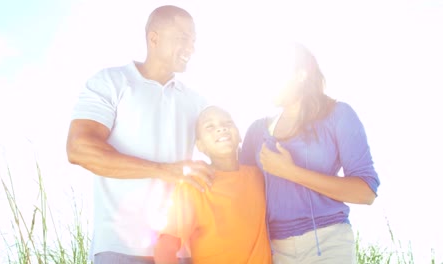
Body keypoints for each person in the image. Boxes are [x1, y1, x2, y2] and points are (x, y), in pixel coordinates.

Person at [66, 5, 214, 263]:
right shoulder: (111, 82)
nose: (191, 48)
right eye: (182, 38)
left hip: (179, 251)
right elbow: (79, 148)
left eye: (193, 41)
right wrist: (164, 170)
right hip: (119, 248)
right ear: (153, 38)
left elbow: (226, 152)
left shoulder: (196, 102)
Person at [240, 42, 381, 263]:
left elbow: (365, 192)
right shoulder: (257, 131)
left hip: (328, 243)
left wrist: (290, 171)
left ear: (301, 75)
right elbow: (242, 191)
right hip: (275, 249)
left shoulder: (338, 115)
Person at [154, 106, 272, 264]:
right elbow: (166, 247)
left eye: (227, 123)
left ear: (239, 136)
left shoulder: (259, 176)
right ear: (200, 146)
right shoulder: (193, 185)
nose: (221, 128)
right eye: (210, 126)